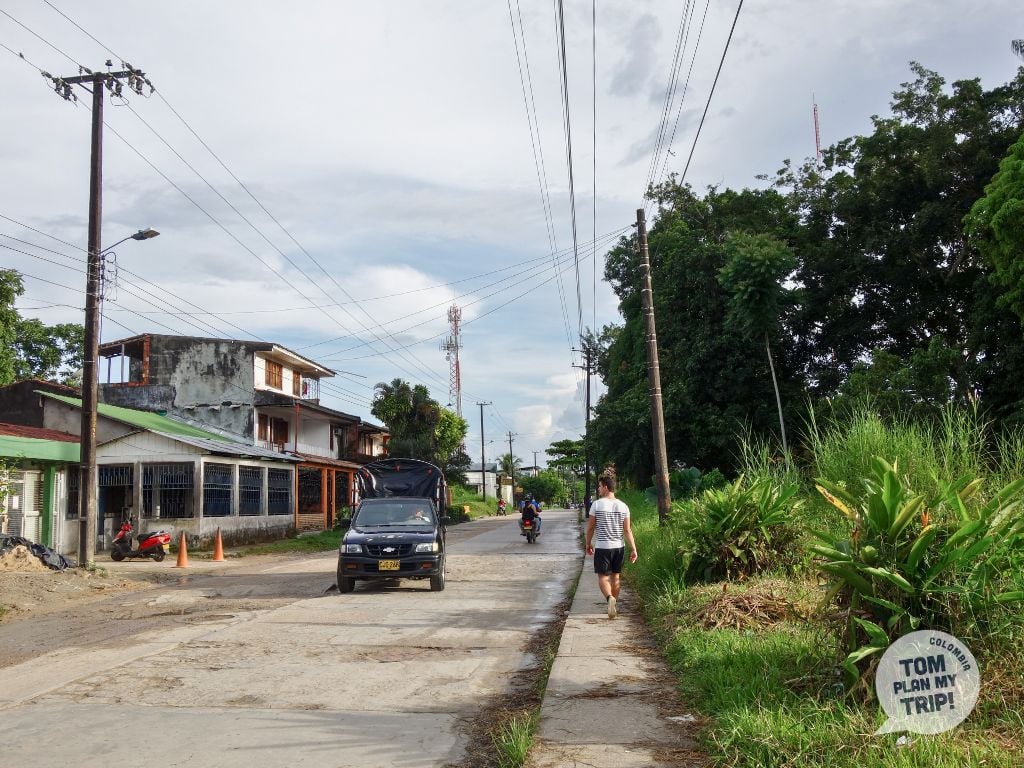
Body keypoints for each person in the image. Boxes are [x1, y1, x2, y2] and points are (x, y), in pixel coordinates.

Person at [585, 473, 637, 619]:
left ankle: (609, 599)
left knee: (603, 577)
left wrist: (588, 543)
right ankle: (614, 604)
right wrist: (633, 548)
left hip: (602, 546)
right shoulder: (623, 506)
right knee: (616, 577)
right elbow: (627, 530)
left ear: (606, 487)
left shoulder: (597, 504)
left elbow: (591, 527)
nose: (599, 489)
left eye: (600, 486)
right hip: (619, 547)